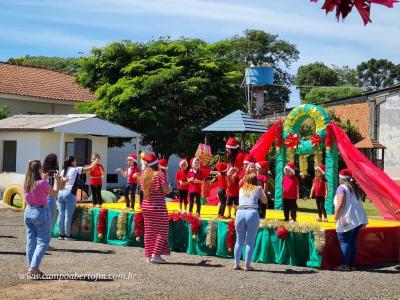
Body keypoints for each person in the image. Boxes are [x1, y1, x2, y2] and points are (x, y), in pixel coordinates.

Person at [23, 160, 61, 277]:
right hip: (41, 212)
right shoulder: (42, 183)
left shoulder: (25, 183)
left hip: (29, 211)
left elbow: (36, 189)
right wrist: (57, 181)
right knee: (43, 241)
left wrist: (43, 179)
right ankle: (34, 268)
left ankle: (32, 267)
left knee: (31, 241)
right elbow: (54, 193)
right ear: (39, 169)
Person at [334, 168, 368, 271]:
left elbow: (340, 203)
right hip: (358, 219)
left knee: (345, 241)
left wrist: (336, 216)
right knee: (352, 242)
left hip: (348, 218)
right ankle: (351, 265)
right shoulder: (354, 188)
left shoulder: (342, 188)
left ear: (341, 178)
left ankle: (344, 265)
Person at [140, 153, 172, 264]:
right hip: (157, 207)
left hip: (146, 206)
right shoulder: (160, 174)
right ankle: (156, 255)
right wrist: (170, 189)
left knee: (149, 231)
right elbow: (165, 190)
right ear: (156, 163)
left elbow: (143, 191)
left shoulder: (144, 175)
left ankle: (148, 256)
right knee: (162, 231)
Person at [58, 156, 98, 240]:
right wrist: (96, 161)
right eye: (75, 161)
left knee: (61, 215)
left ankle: (61, 235)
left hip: (60, 193)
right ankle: (67, 235)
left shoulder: (62, 171)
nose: (76, 163)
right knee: (68, 215)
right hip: (69, 193)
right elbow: (90, 168)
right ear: (72, 162)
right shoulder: (76, 169)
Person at [234, 173, 268, 271]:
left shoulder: (241, 189)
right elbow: (265, 201)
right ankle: (247, 266)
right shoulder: (258, 189)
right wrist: (262, 191)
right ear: (255, 180)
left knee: (239, 241)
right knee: (249, 242)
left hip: (240, 212)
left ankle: (236, 264)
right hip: (252, 213)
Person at [42, 154, 62, 250]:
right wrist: (59, 179)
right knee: (51, 221)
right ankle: (46, 244)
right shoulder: (55, 173)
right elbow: (58, 187)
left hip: (42, 198)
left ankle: (42, 243)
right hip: (51, 198)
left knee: (44, 221)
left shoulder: (42, 172)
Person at [225, 138, 245, 219]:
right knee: (229, 199)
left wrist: (235, 174)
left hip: (238, 180)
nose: (227, 150)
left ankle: (236, 213)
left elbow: (239, 168)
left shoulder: (239, 156)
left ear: (232, 149)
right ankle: (230, 213)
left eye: (228, 149)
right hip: (232, 181)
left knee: (236, 199)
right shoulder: (233, 156)